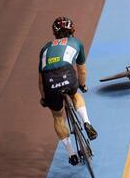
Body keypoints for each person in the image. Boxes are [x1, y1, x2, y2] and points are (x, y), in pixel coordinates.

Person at [38, 17, 98, 166]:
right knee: (75, 94)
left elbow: (40, 80)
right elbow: (81, 70)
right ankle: (86, 122)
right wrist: (82, 85)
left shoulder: (45, 48)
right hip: (66, 74)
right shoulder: (76, 43)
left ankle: (71, 154)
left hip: (49, 81)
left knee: (58, 117)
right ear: (73, 30)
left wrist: (44, 98)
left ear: (54, 32)